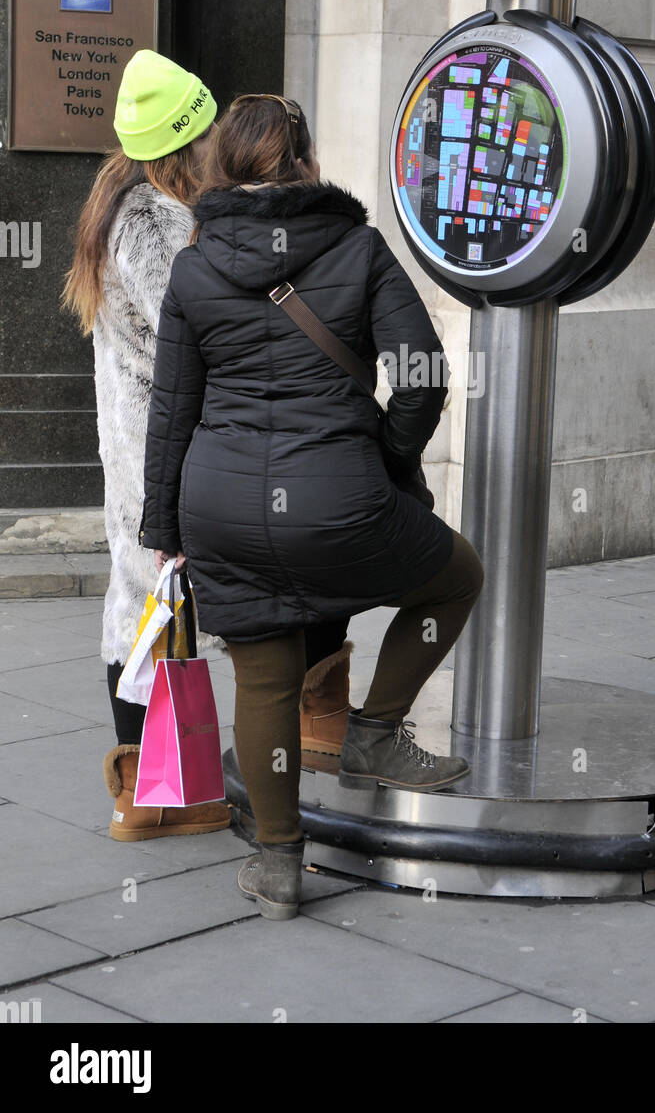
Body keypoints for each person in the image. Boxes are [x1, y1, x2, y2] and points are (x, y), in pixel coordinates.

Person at [140, 93, 484, 918]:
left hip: (218, 501)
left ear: (222, 164)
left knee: (262, 680)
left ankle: (280, 868)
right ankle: (370, 734)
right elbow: (423, 374)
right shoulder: (358, 247)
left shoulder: (194, 263)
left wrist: (163, 526)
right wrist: (388, 459)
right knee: (455, 579)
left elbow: (172, 408)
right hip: (337, 496)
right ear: (305, 161)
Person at [63, 54, 352, 843]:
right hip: (179, 446)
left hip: (149, 448)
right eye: (204, 133)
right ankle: (291, 736)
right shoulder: (148, 222)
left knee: (149, 606)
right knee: (245, 583)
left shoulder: (125, 204)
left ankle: (153, 792)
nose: (215, 146)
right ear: (179, 146)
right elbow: (200, 327)